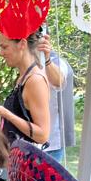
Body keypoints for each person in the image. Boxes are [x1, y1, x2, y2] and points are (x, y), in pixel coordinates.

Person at [0, 27, 51, 146]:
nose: (1, 53)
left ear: (22, 44)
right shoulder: (23, 78)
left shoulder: (35, 81)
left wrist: (5, 113)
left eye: (4, 47)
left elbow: (42, 135)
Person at [38, 31, 75, 162]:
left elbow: (58, 81)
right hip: (32, 141)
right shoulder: (30, 63)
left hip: (51, 143)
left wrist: (47, 59)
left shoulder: (58, 62)